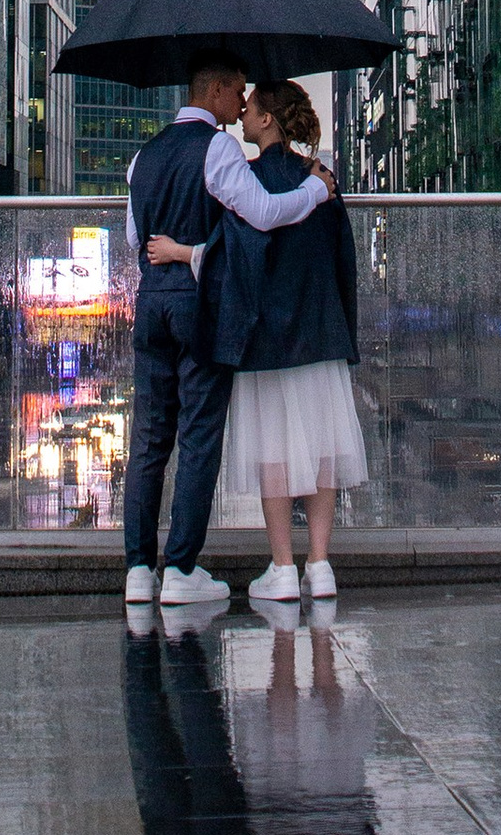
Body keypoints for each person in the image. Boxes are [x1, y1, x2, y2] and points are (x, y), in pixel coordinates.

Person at [123, 57, 337, 607]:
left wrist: (168, 254)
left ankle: (138, 572)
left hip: (150, 302)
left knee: (148, 440)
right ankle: (180, 570)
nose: (240, 104)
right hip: (198, 305)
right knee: (197, 436)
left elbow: (133, 237)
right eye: (236, 92)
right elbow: (262, 213)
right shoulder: (217, 148)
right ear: (214, 91)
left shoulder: (142, 157)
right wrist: (315, 191)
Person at [198, 77, 366, 606]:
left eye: (249, 108)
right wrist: (345, 333)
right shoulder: (322, 181)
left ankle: (282, 567)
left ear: (267, 119)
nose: (242, 115)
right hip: (320, 331)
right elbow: (345, 264)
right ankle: (320, 565)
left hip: (265, 337)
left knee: (273, 451)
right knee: (321, 451)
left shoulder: (246, 181)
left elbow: (229, 259)